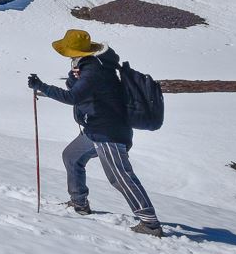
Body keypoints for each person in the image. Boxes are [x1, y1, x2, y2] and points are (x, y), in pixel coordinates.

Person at [28, 29, 163, 237]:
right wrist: (74, 77)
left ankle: (150, 223)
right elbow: (81, 92)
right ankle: (79, 202)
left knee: (120, 177)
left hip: (109, 131)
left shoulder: (93, 70)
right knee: (71, 156)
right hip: (95, 129)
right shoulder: (91, 67)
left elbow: (73, 97)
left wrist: (41, 86)